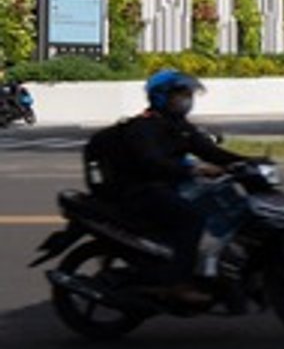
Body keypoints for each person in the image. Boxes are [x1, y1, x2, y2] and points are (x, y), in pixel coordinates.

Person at [86, 67, 260, 303]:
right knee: (191, 219)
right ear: (162, 97)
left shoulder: (180, 126)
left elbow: (209, 151)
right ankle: (177, 283)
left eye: (188, 94)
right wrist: (194, 169)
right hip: (140, 190)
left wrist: (250, 162)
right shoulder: (143, 127)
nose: (186, 99)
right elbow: (153, 162)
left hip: (166, 186)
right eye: (181, 94)